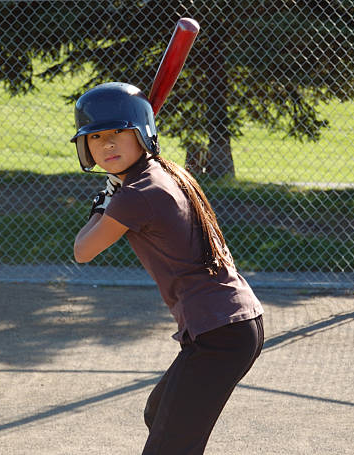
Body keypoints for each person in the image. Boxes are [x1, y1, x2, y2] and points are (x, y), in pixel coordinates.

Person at [71, 82, 264, 455]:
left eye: (118, 133)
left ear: (141, 134)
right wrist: (114, 192)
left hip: (221, 333)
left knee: (168, 446)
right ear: (85, 147)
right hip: (227, 324)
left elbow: (83, 250)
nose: (107, 145)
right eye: (96, 137)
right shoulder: (162, 172)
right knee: (159, 414)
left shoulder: (138, 195)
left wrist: (103, 202)